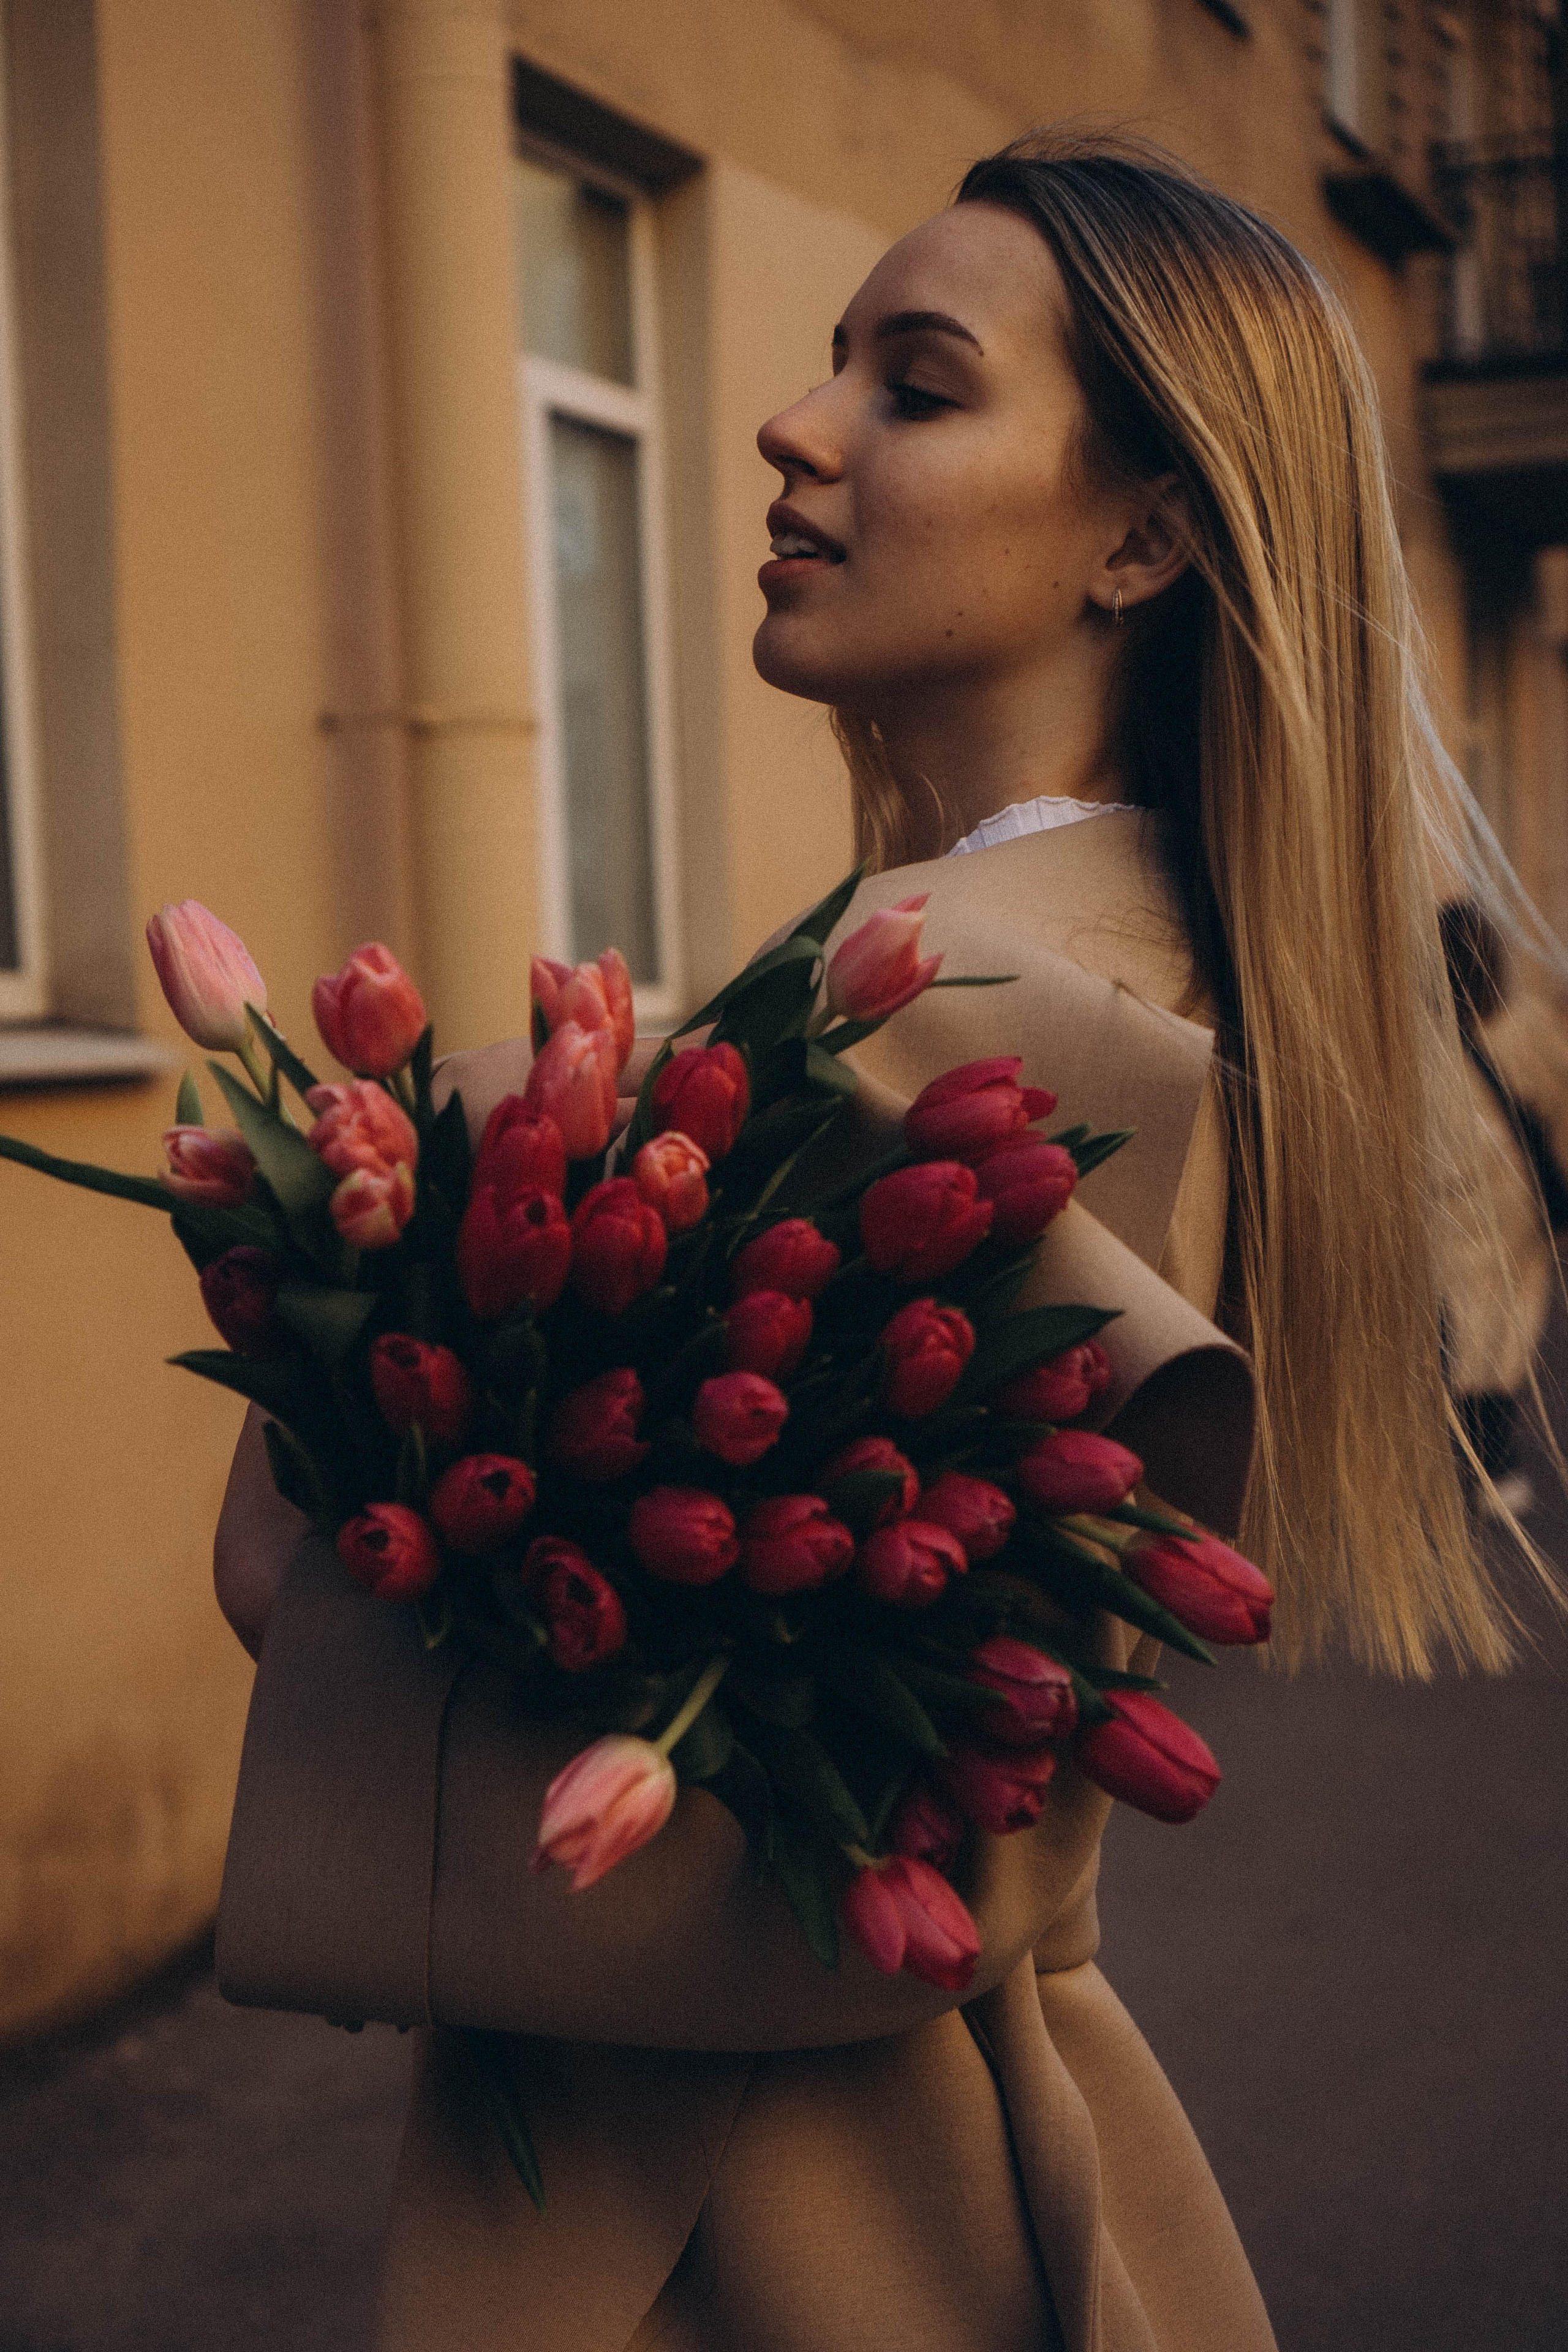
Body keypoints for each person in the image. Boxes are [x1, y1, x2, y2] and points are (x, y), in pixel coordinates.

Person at [213, 134, 1551, 2352]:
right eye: (836, 362)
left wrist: (341, 1334)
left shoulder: (982, 1018)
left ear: (1145, 536)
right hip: (897, 2153)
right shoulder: (1078, 964)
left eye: (914, 387)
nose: (793, 423)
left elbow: (345, 1602)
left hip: (758, 2202)